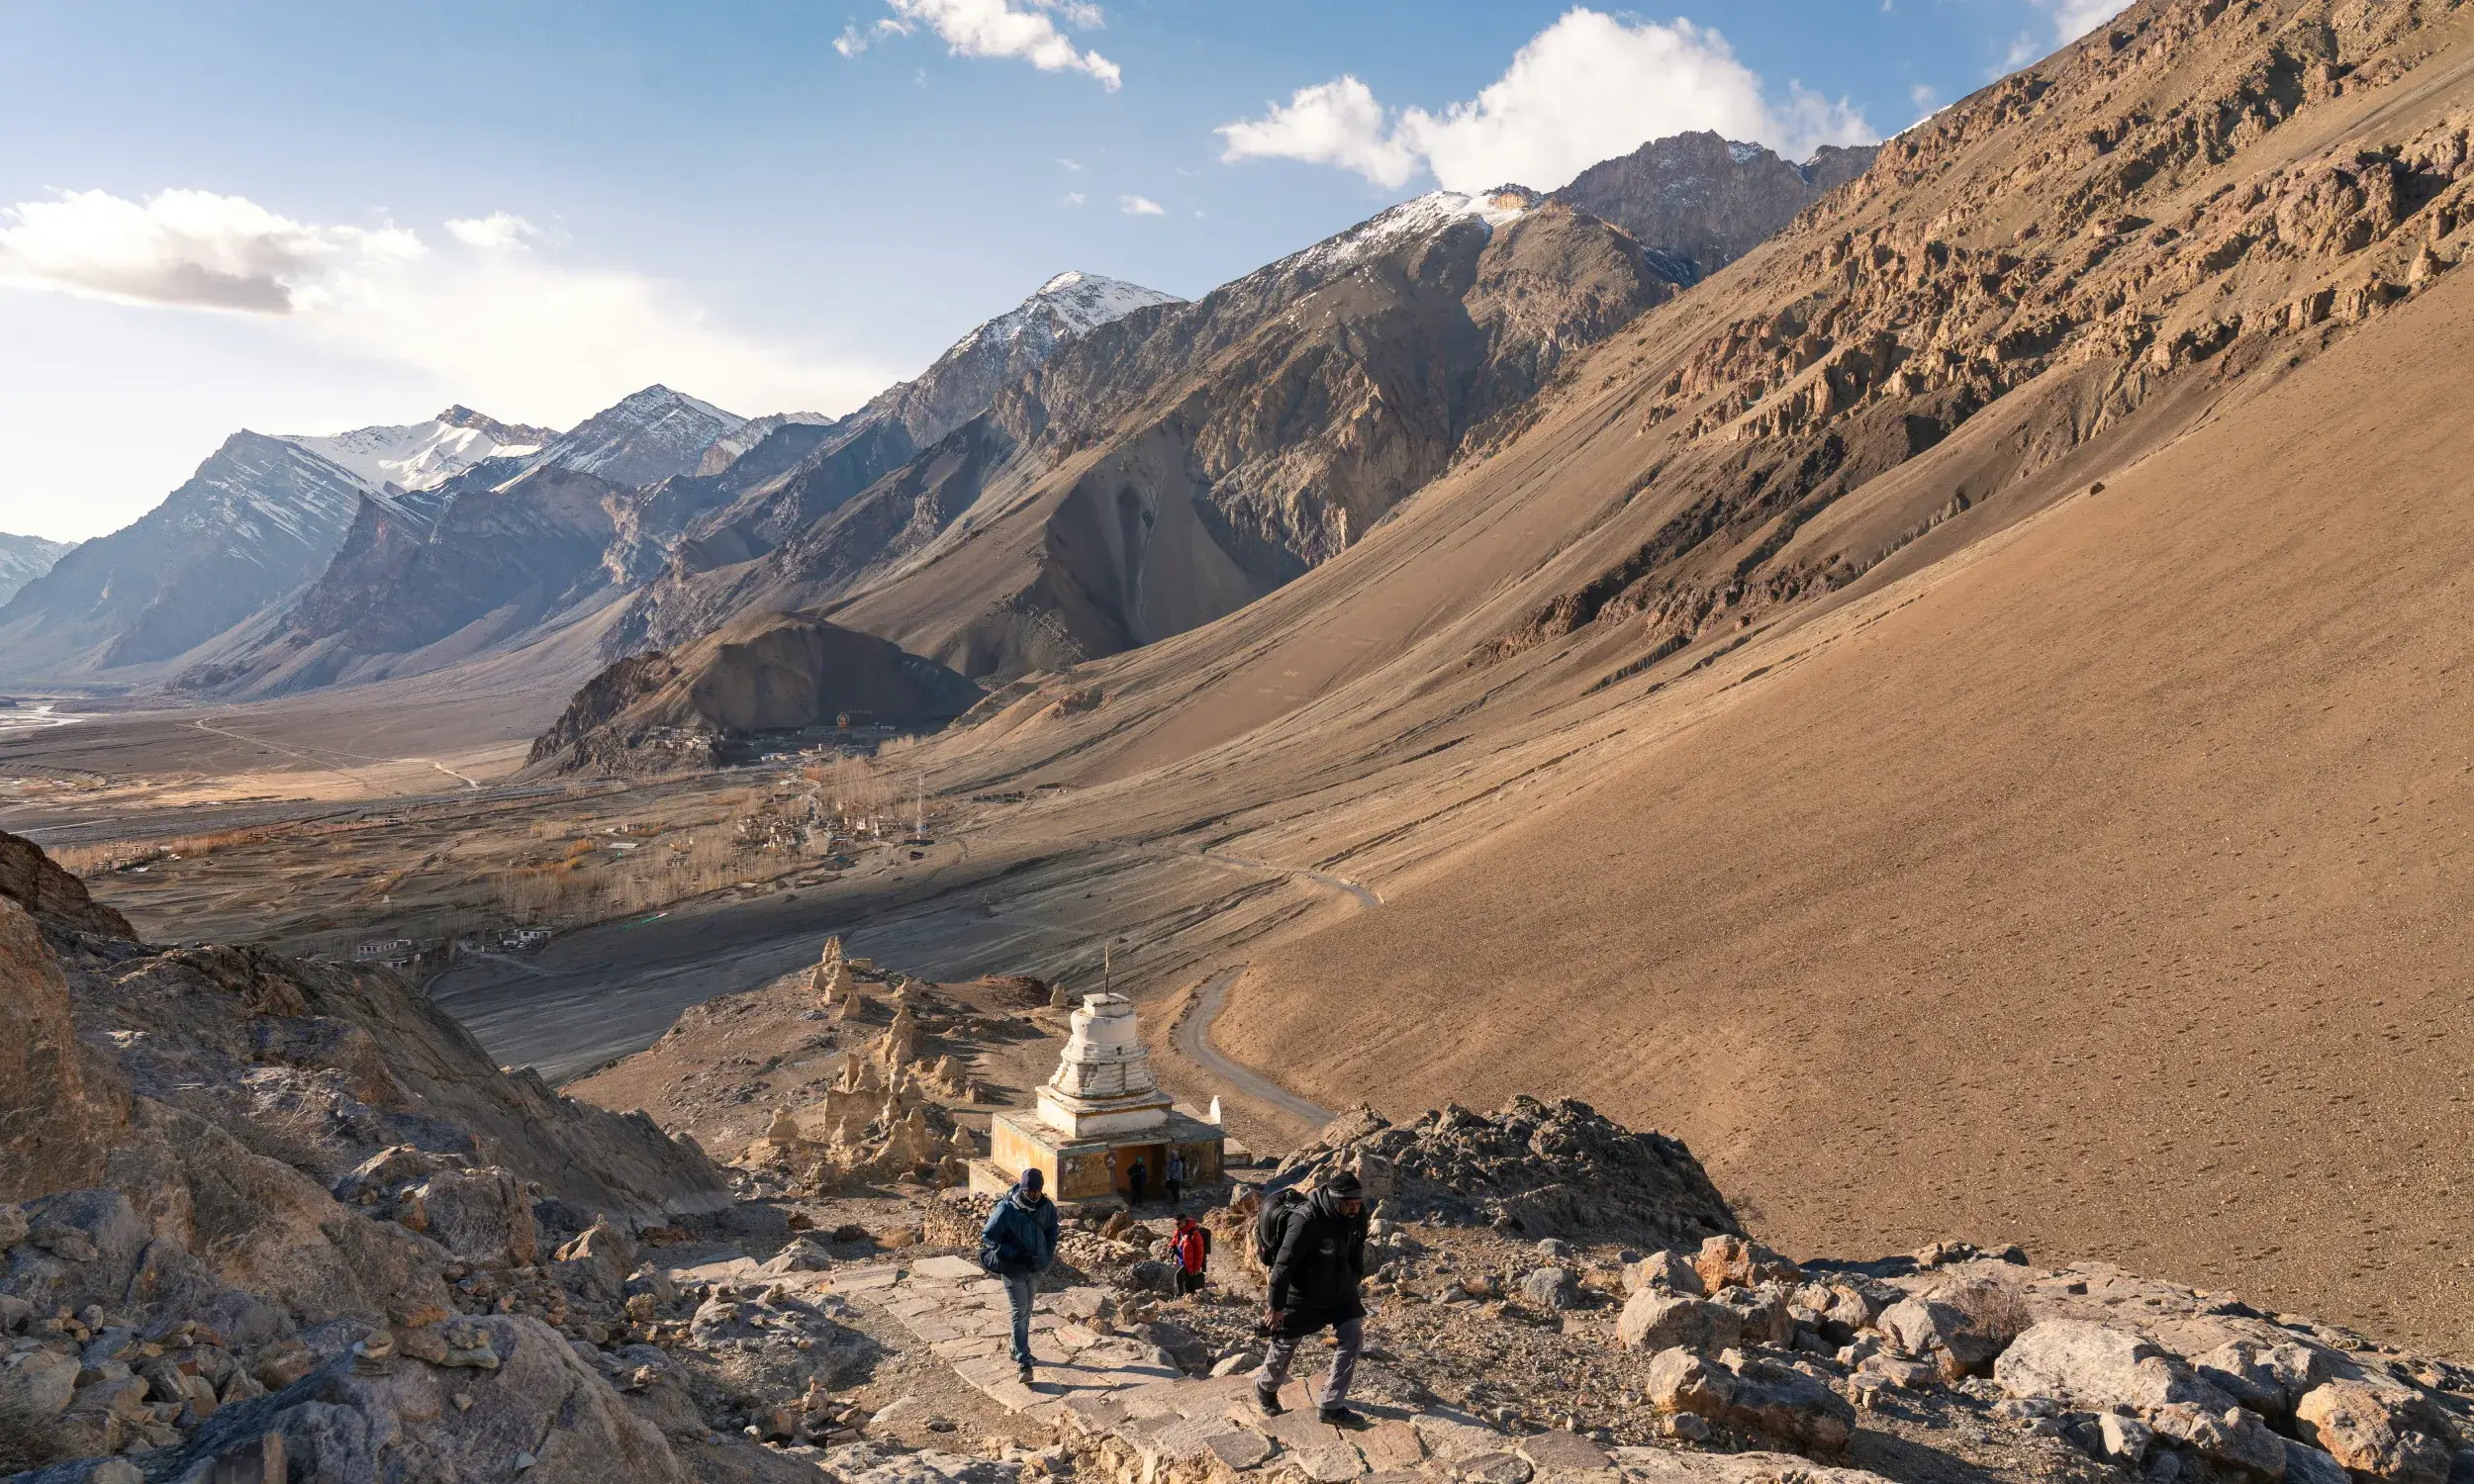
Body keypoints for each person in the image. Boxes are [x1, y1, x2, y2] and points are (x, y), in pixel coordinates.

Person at [1255, 1171, 1371, 1425]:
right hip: (1303, 1293)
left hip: (1340, 1289)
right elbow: (1283, 1265)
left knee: (1353, 1336)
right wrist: (1276, 1306)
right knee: (1286, 1341)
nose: (1355, 1209)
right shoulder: (1306, 1220)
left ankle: (1331, 1405)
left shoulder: (1357, 1213)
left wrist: (1355, 1276)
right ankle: (1265, 1387)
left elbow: (1357, 1244)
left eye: (1358, 1203)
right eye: (1349, 1205)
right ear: (1334, 1200)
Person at [980, 1167, 1059, 1386]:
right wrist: (1009, 1252)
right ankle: (1024, 1363)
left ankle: (1016, 1347)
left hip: (1035, 1267)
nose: (1033, 1195)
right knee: (1019, 1312)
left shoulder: (1047, 1207)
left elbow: (1052, 1232)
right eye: (1029, 1191)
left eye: (1037, 1191)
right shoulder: (1007, 1208)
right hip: (1013, 1268)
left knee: (1027, 1311)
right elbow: (988, 1235)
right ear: (1023, 1188)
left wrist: (1047, 1255)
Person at [1171, 1214, 1210, 1297]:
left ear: (1184, 1222)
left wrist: (1196, 1268)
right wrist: (1172, 1247)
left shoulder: (1194, 1233)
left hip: (1189, 1262)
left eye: (1178, 1223)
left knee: (1178, 1276)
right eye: (1175, 1224)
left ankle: (1179, 1296)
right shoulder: (1179, 1230)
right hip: (1181, 1259)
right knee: (1188, 1281)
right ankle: (1190, 1295)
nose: (1176, 1225)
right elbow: (1175, 1239)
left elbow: (1200, 1252)